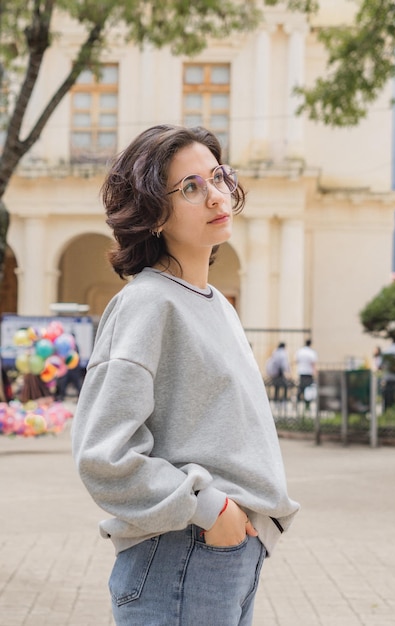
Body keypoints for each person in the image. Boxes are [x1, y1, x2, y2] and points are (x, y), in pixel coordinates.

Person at [71, 124, 299, 626]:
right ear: (152, 212)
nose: (217, 195)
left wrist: (245, 524)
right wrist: (212, 510)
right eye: (191, 188)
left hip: (227, 554)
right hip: (183, 553)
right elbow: (103, 455)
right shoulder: (147, 303)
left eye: (218, 177)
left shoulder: (216, 305)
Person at [295, 339, 318, 406]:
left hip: (301, 371)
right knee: (308, 389)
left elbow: (296, 361)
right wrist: (315, 372)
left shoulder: (300, 351)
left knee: (301, 387)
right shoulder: (311, 352)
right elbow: (313, 363)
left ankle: (297, 400)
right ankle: (307, 404)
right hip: (308, 372)